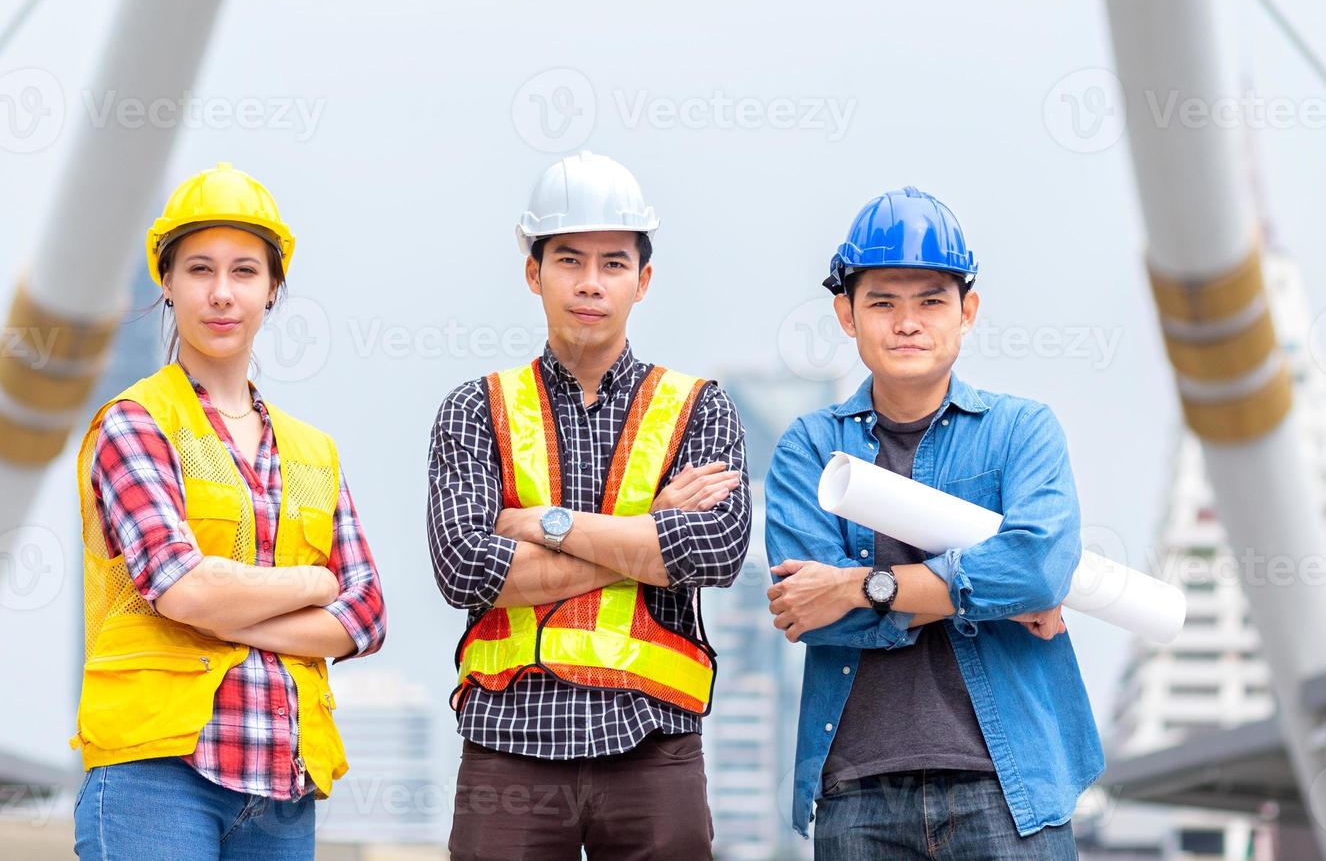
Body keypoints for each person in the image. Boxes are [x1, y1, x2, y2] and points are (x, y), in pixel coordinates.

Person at [427, 151, 752, 860]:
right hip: (507, 738)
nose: (590, 283)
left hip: (653, 742)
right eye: (569, 259)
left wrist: (548, 526)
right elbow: (466, 569)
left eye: (613, 262)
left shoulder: (699, 409)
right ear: (532, 272)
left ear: (644, 280)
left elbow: (712, 552)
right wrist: (646, 536)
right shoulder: (475, 410)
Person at [765, 186, 1102, 860]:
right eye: (883, 302)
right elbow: (813, 613)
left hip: (1009, 791)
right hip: (859, 795)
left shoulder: (1021, 432)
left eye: (930, 301)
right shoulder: (809, 449)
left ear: (967, 311)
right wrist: (991, 598)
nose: (907, 322)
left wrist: (867, 586)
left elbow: (1037, 568)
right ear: (846, 314)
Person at [70, 162, 387, 860]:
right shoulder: (136, 423)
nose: (221, 294)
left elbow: (367, 616)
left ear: (273, 289)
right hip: (155, 776)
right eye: (199, 270)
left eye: (244, 271)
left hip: (281, 785)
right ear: (167, 283)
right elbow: (181, 587)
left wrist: (227, 608)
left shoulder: (314, 451)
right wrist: (313, 584)